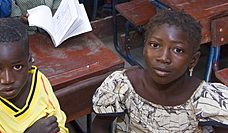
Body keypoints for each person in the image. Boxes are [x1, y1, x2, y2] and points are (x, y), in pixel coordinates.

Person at [91, 9, 228, 132]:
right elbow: (99, 126)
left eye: (178, 50)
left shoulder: (205, 99)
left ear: (193, 60)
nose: (163, 58)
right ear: (144, 48)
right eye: (155, 45)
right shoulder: (121, 85)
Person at [0, 18, 68, 133]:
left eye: (17, 67)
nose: (7, 79)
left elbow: (59, 125)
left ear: (29, 62)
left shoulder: (38, 80)